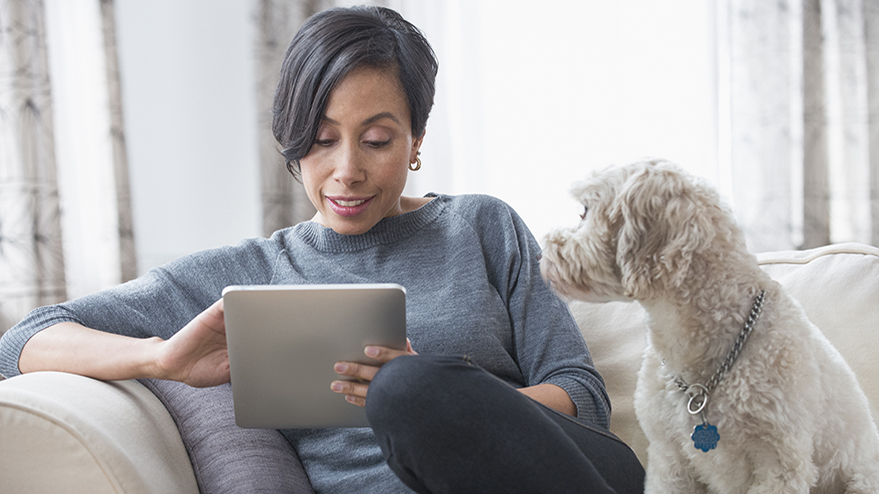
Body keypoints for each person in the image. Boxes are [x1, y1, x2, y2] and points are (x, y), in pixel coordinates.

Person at [0, 6, 644, 493]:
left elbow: (580, 394)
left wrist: (449, 394)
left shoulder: (481, 227)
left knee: (409, 389)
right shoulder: (247, 275)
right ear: (291, 141)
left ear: (417, 139)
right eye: (322, 139)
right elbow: (20, 342)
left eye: (377, 139)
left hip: (565, 473)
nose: (346, 171)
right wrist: (161, 357)